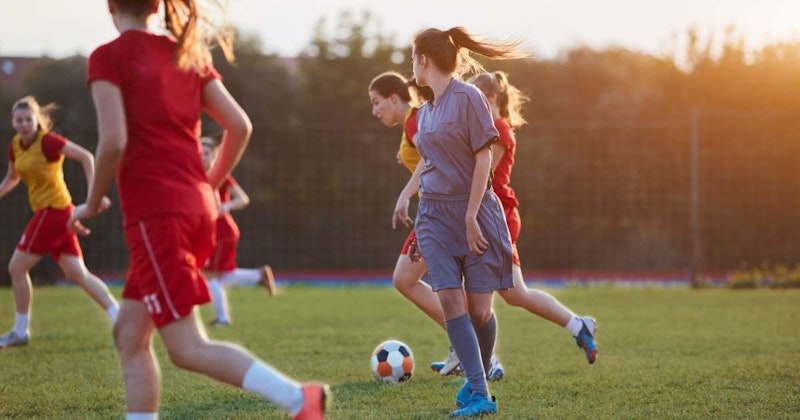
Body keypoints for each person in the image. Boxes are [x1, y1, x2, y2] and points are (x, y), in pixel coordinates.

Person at [68, 1, 328, 419]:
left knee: (187, 347)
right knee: (129, 334)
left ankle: (301, 399)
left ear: (110, 6)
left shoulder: (108, 56)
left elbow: (113, 141)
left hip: (157, 214)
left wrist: (92, 201)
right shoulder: (186, 52)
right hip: (193, 209)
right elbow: (239, 126)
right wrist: (206, 185)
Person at [392, 26, 520, 417]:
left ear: (424, 60)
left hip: (476, 213)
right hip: (433, 215)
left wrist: (469, 216)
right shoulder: (426, 111)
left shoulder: (470, 98)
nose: (412, 65)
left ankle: (475, 377)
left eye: (413, 58)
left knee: (480, 311)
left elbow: (483, 158)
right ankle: (481, 394)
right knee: (450, 300)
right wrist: (408, 199)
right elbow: (430, 163)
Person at [369, 71, 503, 380]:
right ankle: (471, 350)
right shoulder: (413, 125)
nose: (375, 111)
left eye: (377, 103)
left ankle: (478, 353)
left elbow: (431, 159)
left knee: (405, 279)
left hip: (440, 212)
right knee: (411, 281)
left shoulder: (416, 121)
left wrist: (405, 194)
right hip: (441, 209)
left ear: (394, 98)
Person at [0, 96, 119, 348]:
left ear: (37, 120)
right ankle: (120, 319)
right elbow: (12, 178)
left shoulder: (48, 142)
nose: (23, 124)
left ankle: (21, 331)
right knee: (78, 274)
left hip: (54, 212)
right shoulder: (15, 146)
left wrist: (92, 198)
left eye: (28, 119)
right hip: (58, 216)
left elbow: (86, 156)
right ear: (13, 122)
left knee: (16, 268)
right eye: (19, 120)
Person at [200, 135, 277, 327]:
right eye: (199, 151)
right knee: (220, 275)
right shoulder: (195, 176)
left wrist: (225, 207)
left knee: (210, 275)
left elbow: (243, 198)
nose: (202, 156)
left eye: (207, 153)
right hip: (210, 231)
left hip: (222, 232)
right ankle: (258, 276)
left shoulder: (221, 175)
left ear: (214, 157)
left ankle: (223, 319)